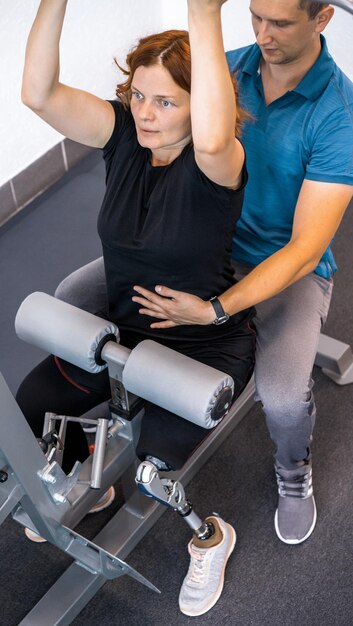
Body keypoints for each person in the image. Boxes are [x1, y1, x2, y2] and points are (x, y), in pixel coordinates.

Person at [55, 0, 353, 550]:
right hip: (190, 248)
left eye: (280, 22)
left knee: (283, 396)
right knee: (71, 298)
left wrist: (218, 308)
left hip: (279, 267)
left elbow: (307, 250)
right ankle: (127, 403)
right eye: (255, 16)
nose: (262, 34)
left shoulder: (339, 112)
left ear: (322, 18)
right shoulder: (222, 70)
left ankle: (293, 473)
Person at [18, 0, 256, 615]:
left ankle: (211, 536)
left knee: (153, 470)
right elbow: (38, 94)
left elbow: (211, 131)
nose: (146, 114)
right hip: (123, 339)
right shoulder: (123, 135)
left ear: (200, 103)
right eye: (138, 96)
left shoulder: (217, 162)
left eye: (167, 101)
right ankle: (91, 494)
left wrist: (204, 15)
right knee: (33, 403)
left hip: (202, 348)